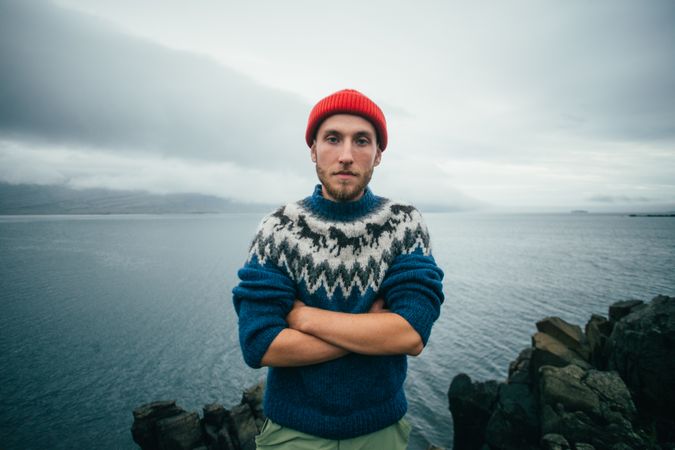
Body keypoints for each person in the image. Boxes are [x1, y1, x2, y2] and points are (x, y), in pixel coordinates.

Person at [232, 89, 445, 449]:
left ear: (378, 154)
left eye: (361, 141)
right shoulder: (278, 228)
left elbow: (410, 334)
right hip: (293, 433)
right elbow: (260, 345)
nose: (346, 155)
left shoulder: (405, 225)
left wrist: (304, 319)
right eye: (333, 139)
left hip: (380, 432)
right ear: (313, 150)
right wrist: (372, 330)